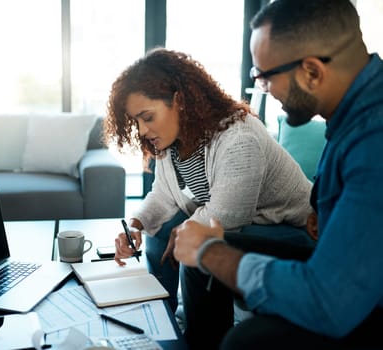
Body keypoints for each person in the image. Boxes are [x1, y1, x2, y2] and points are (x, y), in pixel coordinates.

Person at [173, 0, 383, 349]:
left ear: (312, 72)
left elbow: (329, 302)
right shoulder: (351, 110)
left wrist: (211, 250)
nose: (262, 89)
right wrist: (327, 211)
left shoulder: (374, 140)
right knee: (199, 264)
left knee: (246, 341)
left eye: (264, 76)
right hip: (343, 267)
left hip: (358, 302)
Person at [103, 48, 315, 349]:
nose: (141, 130)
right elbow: (164, 194)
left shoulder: (238, 137)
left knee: (198, 241)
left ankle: (204, 339)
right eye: (135, 121)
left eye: (147, 117)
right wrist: (136, 224)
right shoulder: (170, 143)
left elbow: (228, 216)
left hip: (292, 233)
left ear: (179, 101)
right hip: (244, 221)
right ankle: (161, 313)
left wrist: (186, 234)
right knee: (161, 229)